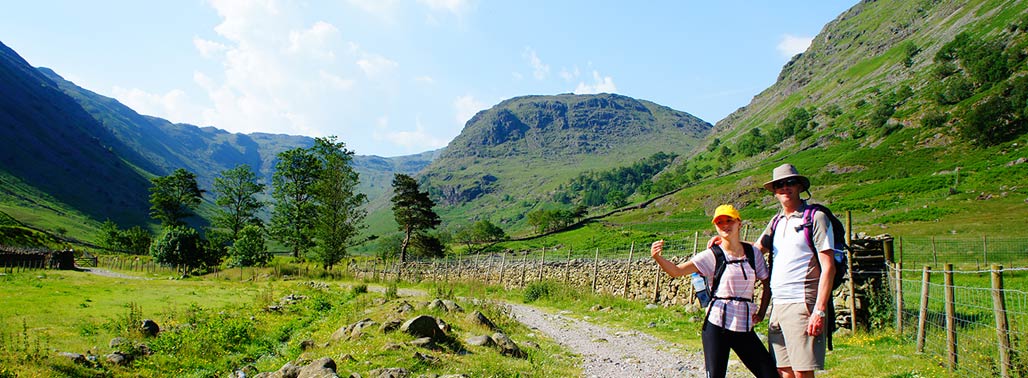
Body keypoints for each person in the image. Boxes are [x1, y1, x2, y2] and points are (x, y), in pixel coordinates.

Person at [651, 204, 777, 378]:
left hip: (743, 324)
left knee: (769, 374)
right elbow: (677, 271)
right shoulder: (712, 255)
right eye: (720, 222)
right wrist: (657, 257)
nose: (725, 225)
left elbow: (767, 282)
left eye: (729, 221)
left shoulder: (753, 253)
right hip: (717, 324)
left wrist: (762, 312)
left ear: (739, 223)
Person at [758, 164, 836, 378]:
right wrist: (724, 241)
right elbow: (755, 251)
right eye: (779, 184)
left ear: (800, 186)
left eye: (790, 182)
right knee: (783, 371)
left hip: (802, 303)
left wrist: (819, 311)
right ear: (774, 191)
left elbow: (828, 267)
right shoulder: (776, 222)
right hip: (778, 305)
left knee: (802, 371)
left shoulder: (815, 218)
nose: (785, 187)